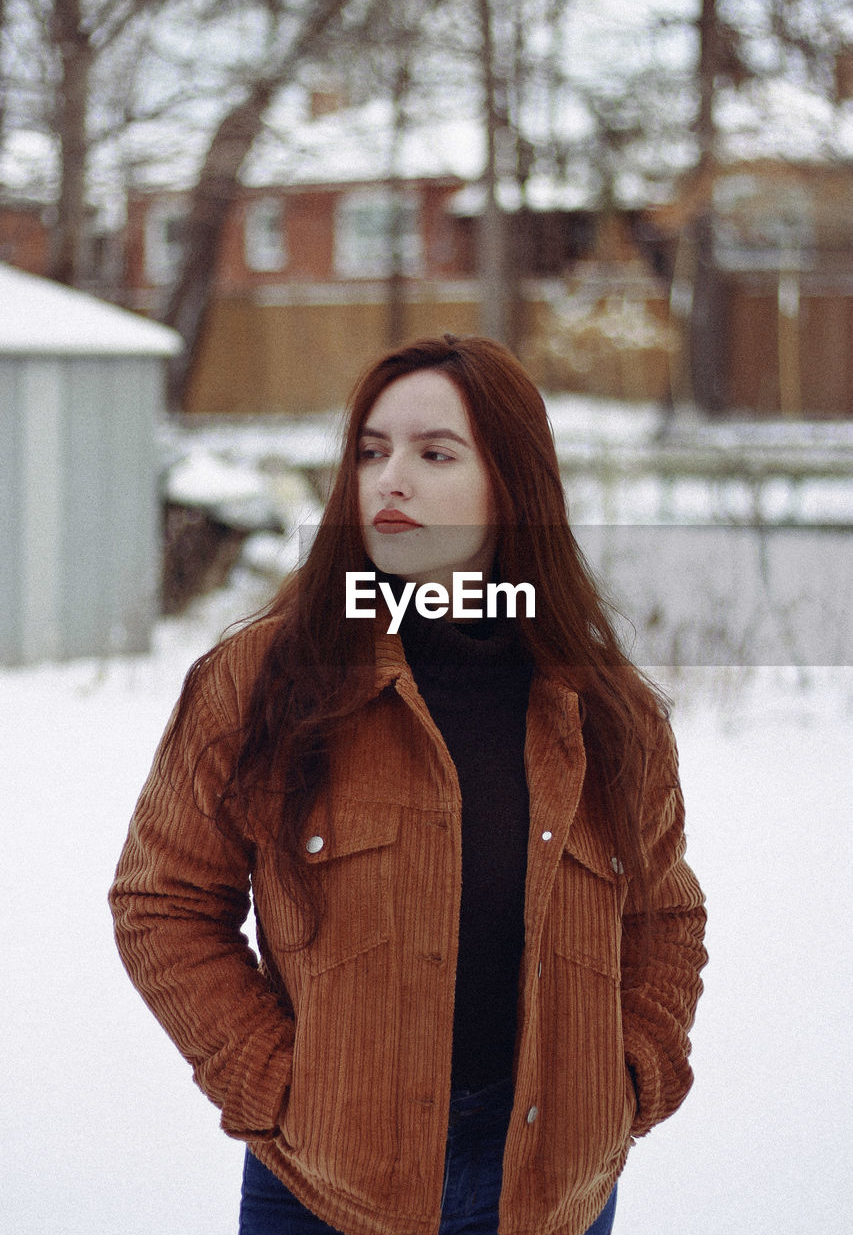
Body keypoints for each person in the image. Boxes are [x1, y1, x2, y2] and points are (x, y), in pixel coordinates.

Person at [110, 335, 707, 1235]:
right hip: (326, 1190)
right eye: (370, 450)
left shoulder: (606, 708)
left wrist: (628, 1081)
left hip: (552, 1192)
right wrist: (278, 1088)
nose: (390, 480)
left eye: (434, 454)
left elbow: (663, 918)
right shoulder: (260, 680)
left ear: (514, 484)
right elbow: (162, 901)